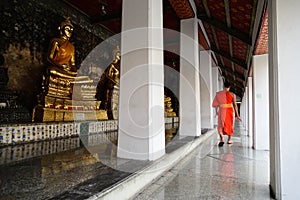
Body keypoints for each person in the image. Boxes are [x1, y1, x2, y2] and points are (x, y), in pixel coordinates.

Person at [212, 81, 242, 146]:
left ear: (223, 86)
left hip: (221, 110)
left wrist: (216, 112)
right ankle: (229, 140)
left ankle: (221, 139)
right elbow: (235, 105)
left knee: (220, 124)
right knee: (229, 124)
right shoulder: (232, 94)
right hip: (229, 111)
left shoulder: (218, 94)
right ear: (229, 87)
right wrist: (237, 115)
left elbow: (215, 105)